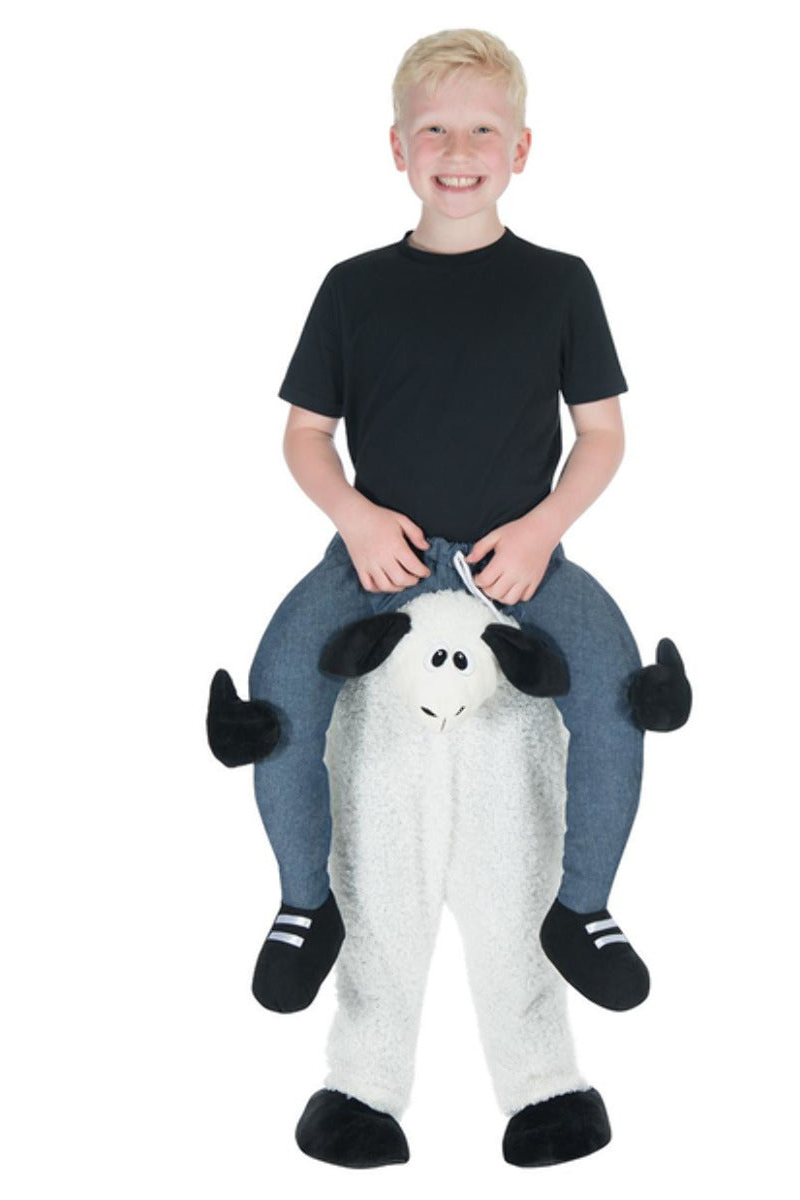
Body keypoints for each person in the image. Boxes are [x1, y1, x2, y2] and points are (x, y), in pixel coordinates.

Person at [248, 28, 648, 1018]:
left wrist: (545, 529)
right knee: (278, 688)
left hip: (520, 554)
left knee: (618, 692)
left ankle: (584, 907)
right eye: (434, 129)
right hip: (377, 557)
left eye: (482, 130)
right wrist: (354, 518)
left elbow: (601, 435)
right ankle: (303, 902)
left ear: (521, 149)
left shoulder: (562, 283)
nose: (458, 151)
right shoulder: (352, 287)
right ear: (397, 147)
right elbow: (305, 435)